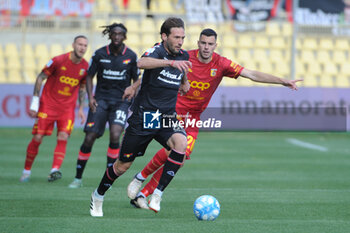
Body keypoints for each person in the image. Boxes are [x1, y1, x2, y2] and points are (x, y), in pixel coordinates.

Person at [126, 28, 303, 209]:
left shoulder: (221, 64)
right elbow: (154, 73)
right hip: (173, 110)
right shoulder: (185, 57)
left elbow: (251, 74)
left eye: (210, 44)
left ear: (215, 45)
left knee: (180, 159)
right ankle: (141, 178)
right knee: (177, 148)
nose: (206, 47)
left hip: (194, 117)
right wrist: (135, 87)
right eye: (203, 43)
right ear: (198, 43)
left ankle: (142, 193)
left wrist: (282, 81)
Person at [89, 17, 192, 217]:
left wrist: (185, 82)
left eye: (183, 37)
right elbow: (141, 63)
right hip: (146, 116)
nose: (180, 41)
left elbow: (183, 68)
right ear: (164, 36)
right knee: (122, 166)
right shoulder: (157, 52)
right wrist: (169, 62)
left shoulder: (183, 55)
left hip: (166, 115)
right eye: (176, 37)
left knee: (181, 143)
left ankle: (157, 194)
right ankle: (98, 195)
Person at [68, 23, 139, 188]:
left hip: (121, 102)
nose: (117, 36)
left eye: (120, 34)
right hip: (100, 101)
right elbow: (88, 76)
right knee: (90, 137)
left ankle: (108, 178)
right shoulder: (100, 54)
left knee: (115, 135)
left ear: (124, 37)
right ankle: (78, 178)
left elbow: (137, 80)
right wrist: (90, 97)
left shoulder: (131, 56)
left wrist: (133, 95)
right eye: (114, 33)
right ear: (110, 35)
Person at [20, 35, 89, 182]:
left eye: (85, 45)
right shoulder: (58, 61)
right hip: (48, 105)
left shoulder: (85, 66)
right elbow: (40, 77)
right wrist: (34, 103)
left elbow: (82, 87)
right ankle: (26, 171)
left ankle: (54, 170)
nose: (82, 48)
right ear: (73, 45)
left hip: (67, 109)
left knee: (63, 136)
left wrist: (81, 109)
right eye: (80, 44)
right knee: (38, 137)